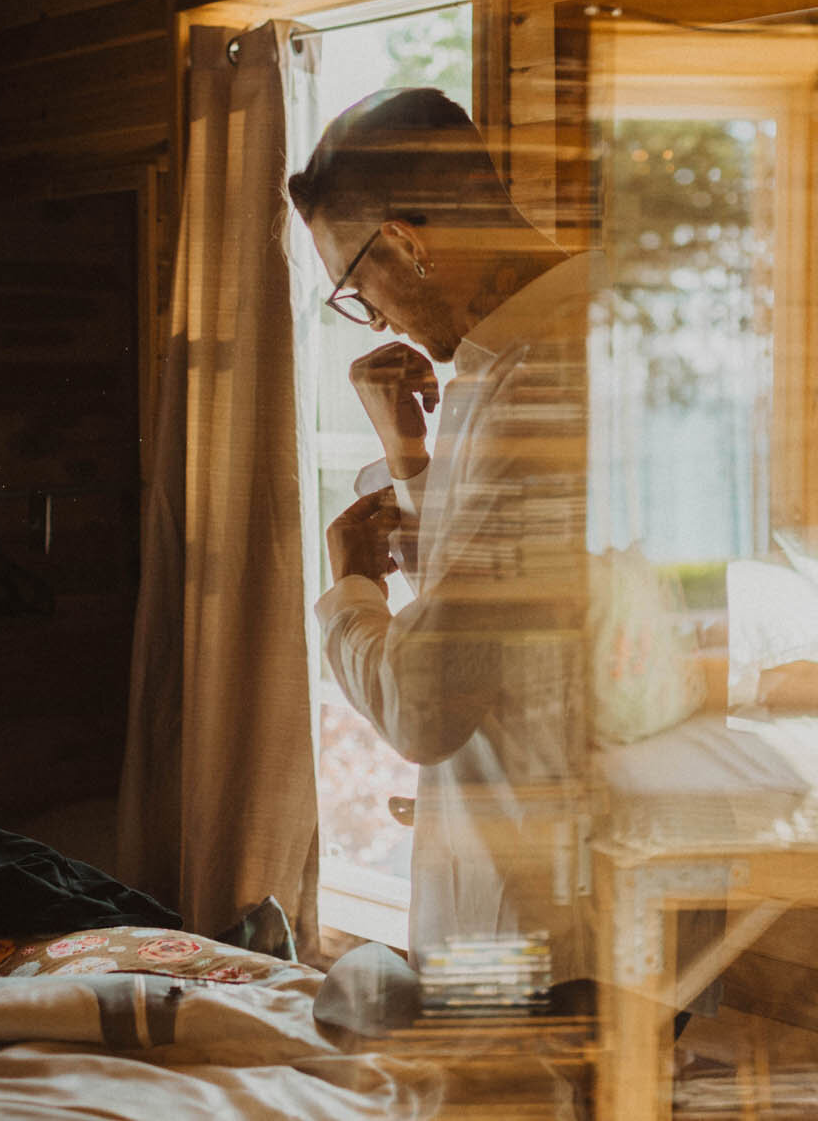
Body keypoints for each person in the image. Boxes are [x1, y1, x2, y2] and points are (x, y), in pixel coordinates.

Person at [288, 87, 598, 988]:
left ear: (407, 242)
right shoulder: (554, 349)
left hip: (540, 937)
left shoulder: (538, 389)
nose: (374, 318)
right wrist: (411, 456)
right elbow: (513, 595)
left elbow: (428, 704)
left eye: (354, 287)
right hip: (575, 907)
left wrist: (351, 593)